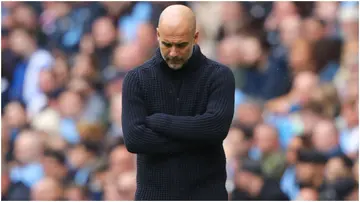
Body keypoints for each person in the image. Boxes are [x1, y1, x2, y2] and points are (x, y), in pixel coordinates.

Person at [121, 4, 235, 200]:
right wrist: (198, 137)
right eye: (167, 44)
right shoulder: (137, 79)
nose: (173, 52)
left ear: (196, 37)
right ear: (157, 35)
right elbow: (135, 139)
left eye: (181, 45)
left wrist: (160, 122)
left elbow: (216, 128)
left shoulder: (219, 76)